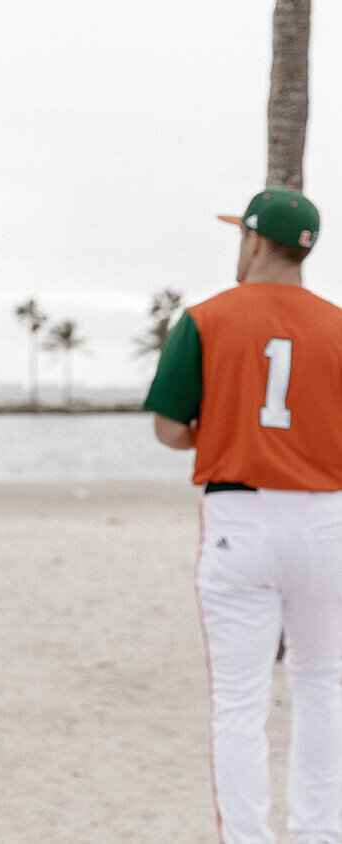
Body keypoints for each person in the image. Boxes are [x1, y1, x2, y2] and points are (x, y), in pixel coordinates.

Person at [145, 187, 338, 844]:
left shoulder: (204, 319)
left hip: (241, 519)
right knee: (324, 689)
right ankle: (320, 834)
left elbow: (170, 429)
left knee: (239, 703)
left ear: (255, 240)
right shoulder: (339, 325)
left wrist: (228, 429)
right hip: (327, 522)